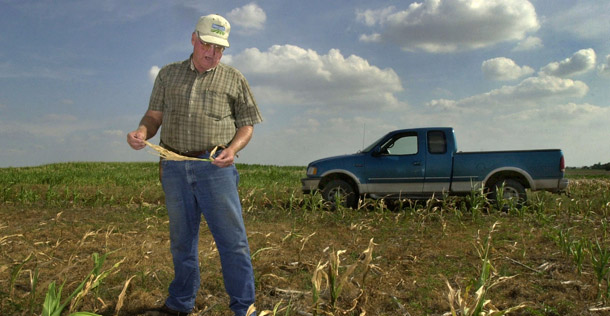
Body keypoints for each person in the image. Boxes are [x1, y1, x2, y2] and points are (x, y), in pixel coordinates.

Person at [127, 13, 262, 316]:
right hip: (173, 166)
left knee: (233, 242)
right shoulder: (167, 75)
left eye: (219, 48)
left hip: (215, 167)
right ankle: (180, 303)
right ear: (193, 39)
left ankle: (244, 308)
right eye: (206, 45)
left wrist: (233, 148)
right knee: (182, 242)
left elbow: (247, 126)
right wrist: (142, 132)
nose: (212, 53)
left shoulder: (234, 78)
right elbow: (154, 117)